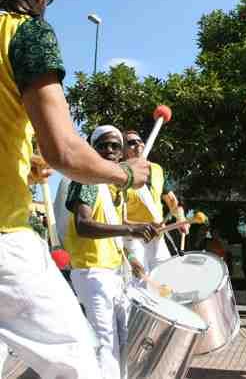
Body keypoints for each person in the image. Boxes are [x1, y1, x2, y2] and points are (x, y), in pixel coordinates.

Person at [0, 0, 149, 378]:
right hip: (5, 235)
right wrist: (125, 174)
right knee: (81, 362)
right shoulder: (24, 32)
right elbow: (64, 151)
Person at [65, 125, 155, 379]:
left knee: (124, 342)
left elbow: (117, 234)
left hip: (114, 274)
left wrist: (135, 251)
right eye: (103, 145)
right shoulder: (87, 180)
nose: (110, 150)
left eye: (116, 146)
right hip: (92, 272)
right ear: (92, 149)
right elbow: (84, 226)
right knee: (106, 343)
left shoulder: (115, 190)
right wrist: (129, 229)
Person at [122, 129, 188, 272]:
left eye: (140, 141)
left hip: (158, 237)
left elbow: (172, 201)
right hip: (133, 238)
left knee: (165, 278)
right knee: (141, 282)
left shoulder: (157, 169)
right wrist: (144, 226)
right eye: (131, 143)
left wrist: (181, 219)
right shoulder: (119, 174)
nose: (138, 145)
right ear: (123, 150)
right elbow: (117, 217)